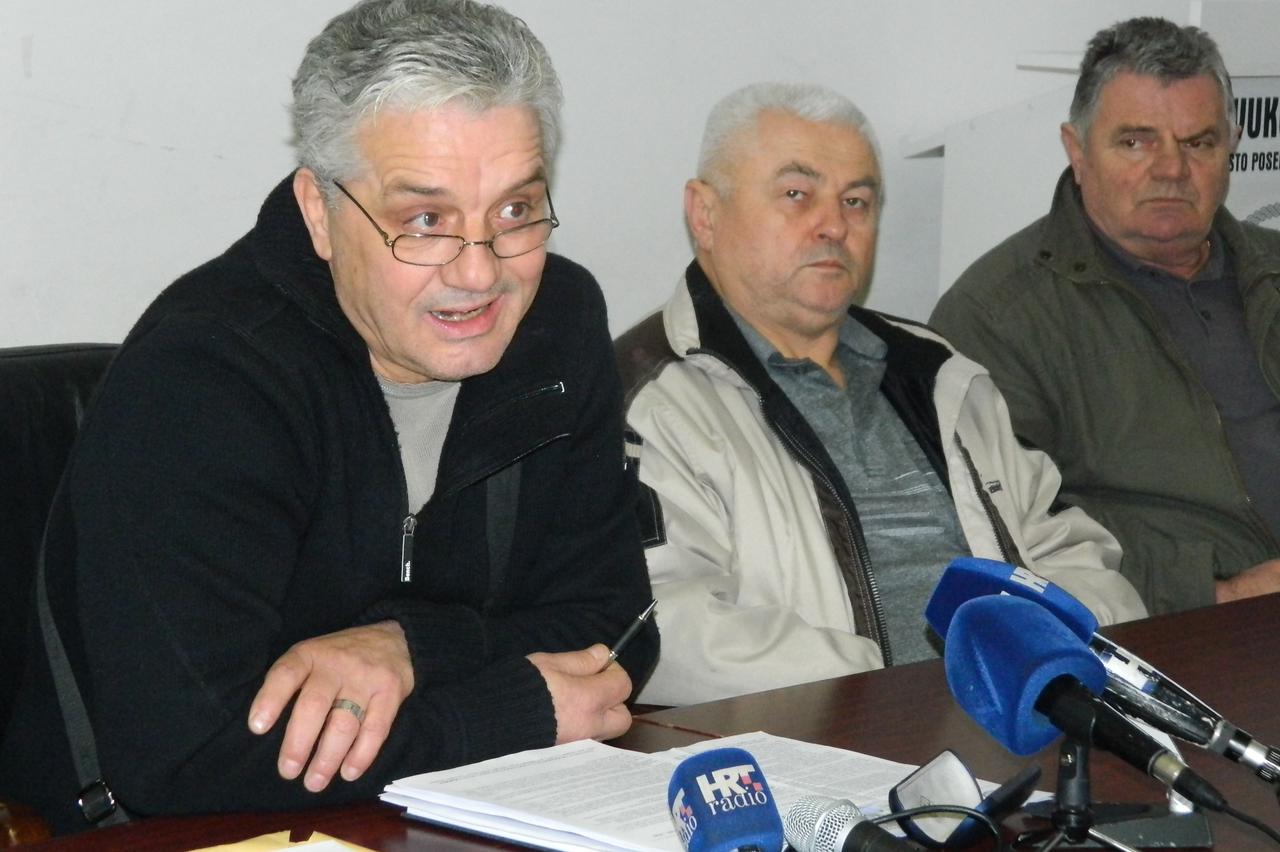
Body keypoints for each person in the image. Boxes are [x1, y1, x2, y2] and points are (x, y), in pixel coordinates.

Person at [0, 0, 656, 834]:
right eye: (426, 221)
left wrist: (413, 648)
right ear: (320, 211)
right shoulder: (206, 376)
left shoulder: (555, 323)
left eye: (515, 212)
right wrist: (512, 710)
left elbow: (618, 628)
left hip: (455, 812)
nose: (480, 273)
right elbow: (186, 755)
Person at [615, 82, 1144, 707]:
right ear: (705, 214)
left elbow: (1071, 550)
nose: (835, 225)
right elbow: (663, 624)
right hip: (826, 739)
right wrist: (894, 687)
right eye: (796, 194)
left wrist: (1033, 658)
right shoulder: (650, 396)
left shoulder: (938, 372)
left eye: (857, 201)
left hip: (1019, 713)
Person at [930, 17, 1280, 616]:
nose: (1171, 169)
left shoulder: (1269, 270)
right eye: (1136, 142)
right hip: (1178, 632)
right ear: (1077, 150)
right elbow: (994, 533)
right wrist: (1214, 594)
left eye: (1198, 143)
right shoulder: (997, 317)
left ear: (1232, 146)